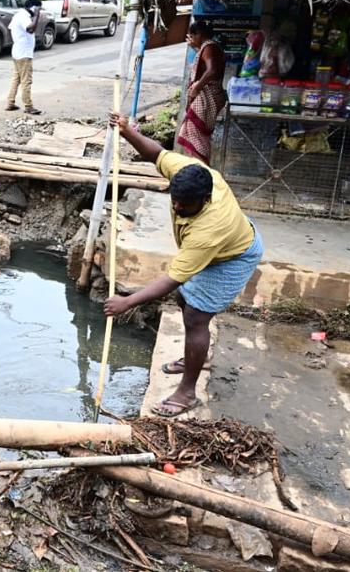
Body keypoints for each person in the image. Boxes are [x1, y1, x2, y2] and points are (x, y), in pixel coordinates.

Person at [103, 111, 264, 418]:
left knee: (195, 316)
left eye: (184, 205)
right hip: (221, 248)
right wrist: (126, 132)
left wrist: (128, 301)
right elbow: (157, 154)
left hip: (233, 257)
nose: (177, 208)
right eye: (174, 200)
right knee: (185, 299)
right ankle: (195, 356)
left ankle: (186, 392)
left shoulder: (208, 229)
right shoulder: (190, 172)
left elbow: (173, 277)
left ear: (205, 199)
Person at [177, 21, 227, 164]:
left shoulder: (209, 47)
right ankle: (198, 166)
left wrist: (198, 86)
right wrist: (195, 47)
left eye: (192, 37)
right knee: (193, 133)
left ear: (199, 34)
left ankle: (202, 168)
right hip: (211, 95)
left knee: (196, 134)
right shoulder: (208, 47)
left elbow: (212, 70)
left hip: (207, 96)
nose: (191, 40)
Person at [6, 0, 42, 115]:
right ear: (34, 7)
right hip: (24, 53)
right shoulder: (23, 17)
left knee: (16, 79)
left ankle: (10, 102)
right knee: (26, 80)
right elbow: (30, 29)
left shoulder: (19, 15)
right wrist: (36, 16)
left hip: (18, 51)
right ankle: (28, 105)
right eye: (38, 8)